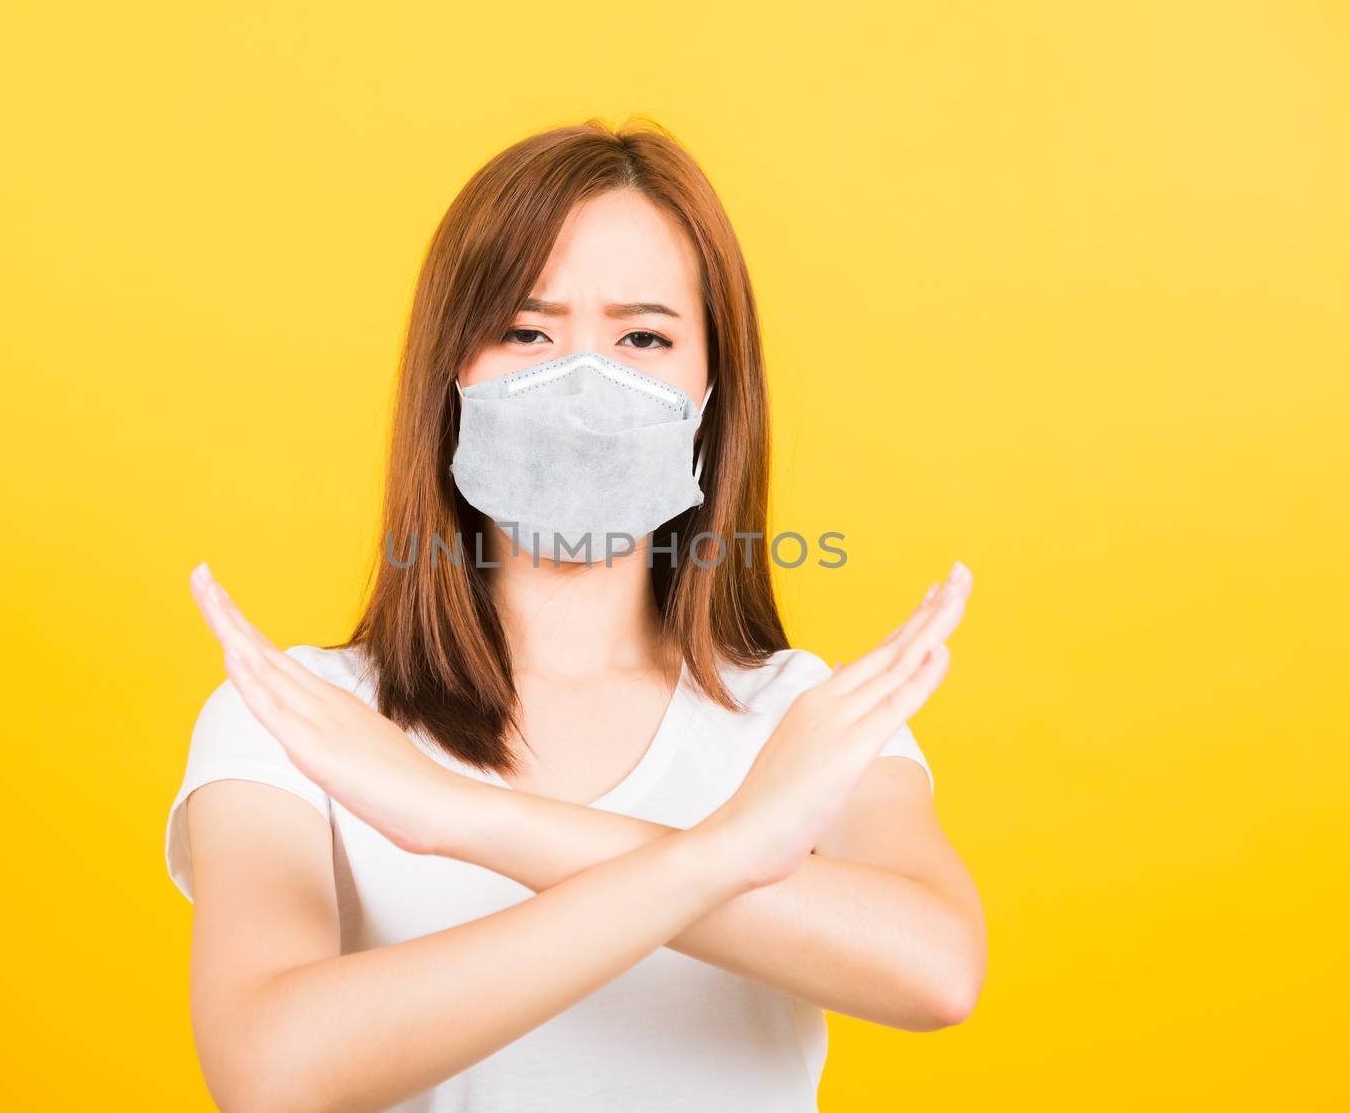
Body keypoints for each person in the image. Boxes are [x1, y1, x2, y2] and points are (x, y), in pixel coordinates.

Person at [164, 118, 986, 1113]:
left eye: (642, 335)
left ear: (711, 392)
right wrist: (725, 852)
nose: (584, 381)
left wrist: (465, 817)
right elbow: (270, 1070)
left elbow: (935, 970)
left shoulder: (796, 716)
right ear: (450, 373)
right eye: (524, 330)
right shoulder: (300, 718)